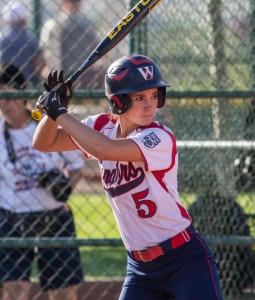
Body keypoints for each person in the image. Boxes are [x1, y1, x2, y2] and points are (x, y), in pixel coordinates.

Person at [33, 54, 223, 300]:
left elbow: (105, 149)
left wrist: (60, 113)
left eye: (154, 95)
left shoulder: (159, 137)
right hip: (141, 269)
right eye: (139, 97)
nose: (149, 105)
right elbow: (44, 142)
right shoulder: (102, 126)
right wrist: (53, 112)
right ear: (117, 102)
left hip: (184, 260)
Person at [0, 65, 84, 299]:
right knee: (13, 290)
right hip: (11, 219)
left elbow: (76, 166)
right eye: (0, 98)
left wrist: (64, 189)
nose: (4, 104)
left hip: (54, 217)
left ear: (22, 95)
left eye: (9, 96)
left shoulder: (47, 126)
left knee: (63, 292)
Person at [40, 0, 103, 89]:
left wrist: (49, 65)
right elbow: (96, 46)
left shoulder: (52, 25)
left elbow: (45, 49)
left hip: (59, 73)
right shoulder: (88, 25)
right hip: (83, 73)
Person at [0, 1, 47, 87]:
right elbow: (38, 66)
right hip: (28, 86)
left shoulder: (2, 39)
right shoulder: (31, 40)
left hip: (4, 86)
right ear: (24, 19)